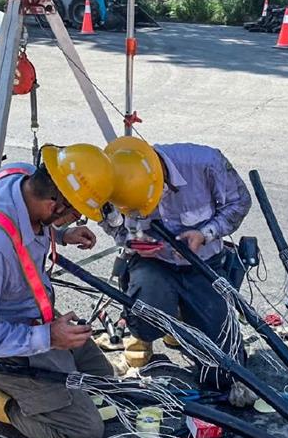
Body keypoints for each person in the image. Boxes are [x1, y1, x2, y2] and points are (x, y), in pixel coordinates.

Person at [0, 144, 117, 438]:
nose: (76, 220)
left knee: (104, 381)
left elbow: (28, 224)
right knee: (84, 432)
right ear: (54, 206)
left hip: (36, 321)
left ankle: (49, 375)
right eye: (75, 215)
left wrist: (60, 235)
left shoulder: (20, 176)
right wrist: (49, 338)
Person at [101, 137, 253, 394]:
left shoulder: (205, 163)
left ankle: (184, 321)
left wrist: (205, 233)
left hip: (203, 263)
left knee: (223, 374)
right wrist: (135, 241)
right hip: (155, 264)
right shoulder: (113, 178)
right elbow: (113, 224)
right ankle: (150, 330)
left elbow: (239, 202)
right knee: (146, 320)